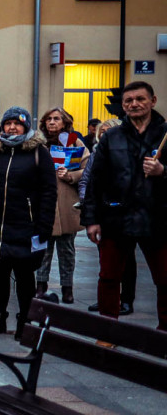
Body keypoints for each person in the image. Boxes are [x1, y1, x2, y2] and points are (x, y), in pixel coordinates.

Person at [82, 81, 167, 331]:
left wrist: (163, 171)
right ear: (123, 106)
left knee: (165, 280)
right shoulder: (111, 137)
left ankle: (164, 334)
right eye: (129, 101)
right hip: (116, 218)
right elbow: (95, 181)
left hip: (158, 219)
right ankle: (108, 331)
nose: (134, 104)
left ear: (152, 101)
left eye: (140, 99)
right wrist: (91, 219)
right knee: (109, 278)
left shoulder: (165, 134)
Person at [0, 107, 57, 339]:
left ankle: (25, 320)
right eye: (8, 123)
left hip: (25, 226)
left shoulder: (38, 153)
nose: (12, 127)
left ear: (26, 126)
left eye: (17, 124)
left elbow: (50, 192)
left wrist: (44, 227)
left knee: (24, 277)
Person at [79, 119, 136, 315]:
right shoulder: (97, 154)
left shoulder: (130, 151)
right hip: (106, 213)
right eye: (102, 132)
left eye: (109, 131)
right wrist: (86, 202)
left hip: (129, 213)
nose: (105, 135)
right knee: (107, 264)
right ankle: (107, 301)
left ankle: (126, 299)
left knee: (128, 260)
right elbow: (88, 179)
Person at [36, 107, 89, 304]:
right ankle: (40, 286)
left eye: (56, 119)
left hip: (67, 206)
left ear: (65, 122)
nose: (52, 122)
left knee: (67, 250)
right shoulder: (38, 144)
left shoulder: (76, 144)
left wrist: (70, 176)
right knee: (43, 250)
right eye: (49, 118)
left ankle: (68, 288)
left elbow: (88, 170)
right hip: (45, 205)